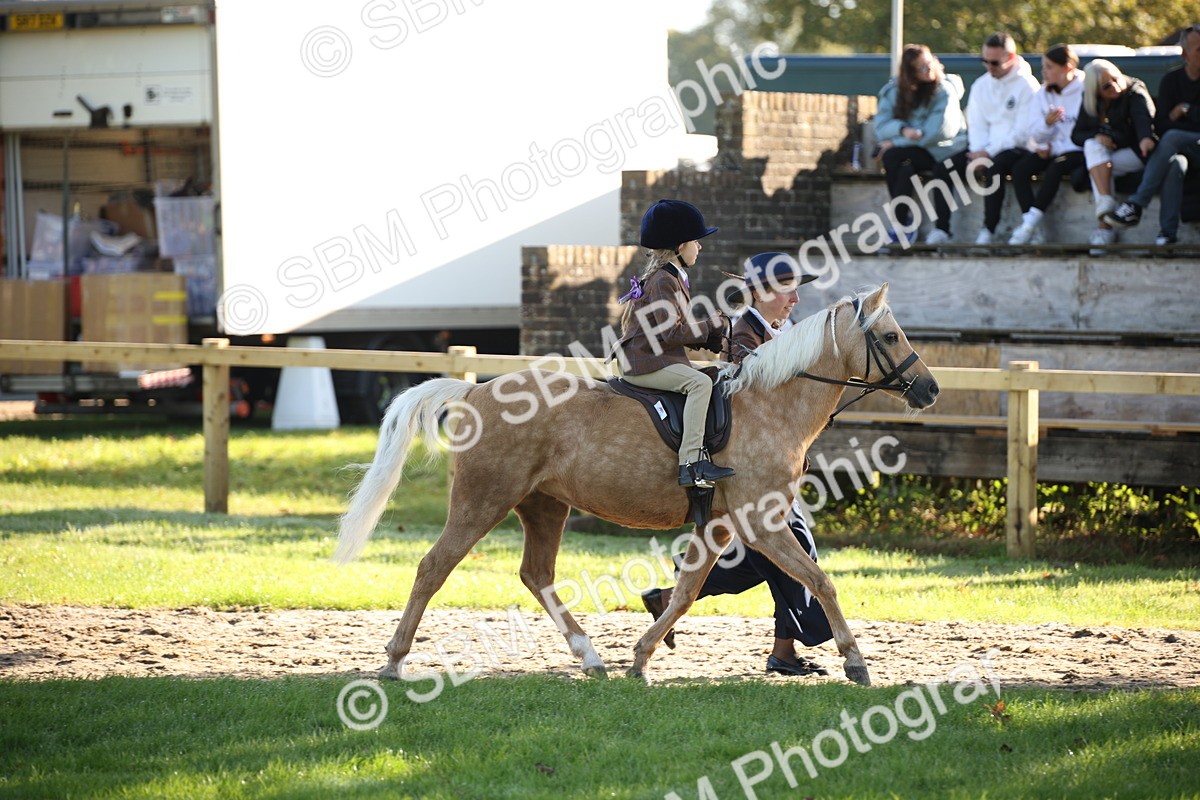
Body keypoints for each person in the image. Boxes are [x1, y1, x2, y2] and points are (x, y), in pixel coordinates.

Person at [641, 252, 834, 678]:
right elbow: (750, 390)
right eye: (787, 289)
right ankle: (784, 652)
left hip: (767, 469)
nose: (795, 298)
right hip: (745, 468)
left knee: (774, 557)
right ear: (763, 292)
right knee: (792, 554)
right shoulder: (744, 333)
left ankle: (672, 595)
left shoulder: (778, 332)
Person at [612, 199, 733, 487]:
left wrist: (713, 336)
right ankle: (691, 463)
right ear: (680, 246)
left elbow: (673, 332)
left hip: (655, 357)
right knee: (699, 384)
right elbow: (673, 334)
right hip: (646, 362)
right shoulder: (665, 280)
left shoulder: (669, 277)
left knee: (713, 376)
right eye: (695, 241)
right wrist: (711, 325)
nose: (700, 247)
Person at [1105, 25, 1200, 245]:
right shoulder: (1171, 81)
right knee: (1175, 163)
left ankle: (1137, 204)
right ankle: (1167, 234)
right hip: (1183, 149)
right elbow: (1162, 124)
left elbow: (1171, 129)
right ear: (1185, 54)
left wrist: (1186, 110)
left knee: (1173, 138)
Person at [874, 44, 969, 245]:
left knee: (895, 153)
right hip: (915, 149)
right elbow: (881, 125)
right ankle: (902, 224)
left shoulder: (945, 89)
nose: (929, 70)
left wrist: (896, 141)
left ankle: (940, 230)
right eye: (922, 68)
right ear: (910, 74)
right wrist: (902, 129)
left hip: (945, 149)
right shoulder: (895, 90)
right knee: (898, 162)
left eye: (930, 63)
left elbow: (939, 131)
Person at [1071, 59, 1157, 250]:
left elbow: (1143, 121)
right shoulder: (1092, 100)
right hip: (1109, 156)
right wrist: (1098, 135)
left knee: (1097, 166)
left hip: (1139, 153)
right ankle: (1107, 206)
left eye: (1116, 79)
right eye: (1107, 86)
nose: (1115, 87)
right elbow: (1076, 135)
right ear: (1096, 90)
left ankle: (1104, 228)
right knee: (1093, 147)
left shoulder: (1134, 91)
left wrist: (1145, 138)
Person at [965, 32, 1040, 245]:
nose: (989, 67)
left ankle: (988, 229)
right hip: (986, 149)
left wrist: (987, 153)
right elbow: (977, 124)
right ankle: (941, 231)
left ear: (1011, 58)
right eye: (985, 61)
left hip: (1019, 149)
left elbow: (1021, 133)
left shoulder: (1027, 86)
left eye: (995, 62)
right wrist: (978, 151)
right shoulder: (980, 85)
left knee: (995, 167)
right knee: (944, 168)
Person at [1008, 44, 1087, 245]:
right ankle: (1032, 229)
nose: (1044, 72)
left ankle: (1028, 225)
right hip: (1050, 149)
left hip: (1076, 151)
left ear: (1067, 68)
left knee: (1056, 167)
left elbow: (1081, 135)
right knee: (1020, 170)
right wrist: (1046, 127)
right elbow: (1035, 132)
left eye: (1050, 67)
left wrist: (1053, 146)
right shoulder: (1042, 93)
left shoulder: (1086, 90)